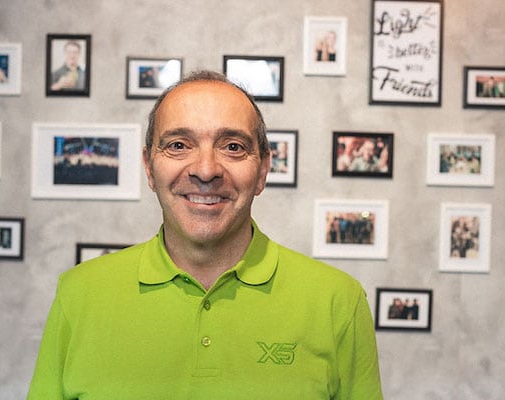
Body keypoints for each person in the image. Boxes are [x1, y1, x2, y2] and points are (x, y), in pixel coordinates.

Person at [27, 70, 383, 399]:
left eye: (233, 147)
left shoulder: (338, 302)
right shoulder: (79, 294)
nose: (206, 170)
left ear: (263, 171)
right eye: (178, 145)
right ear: (149, 167)